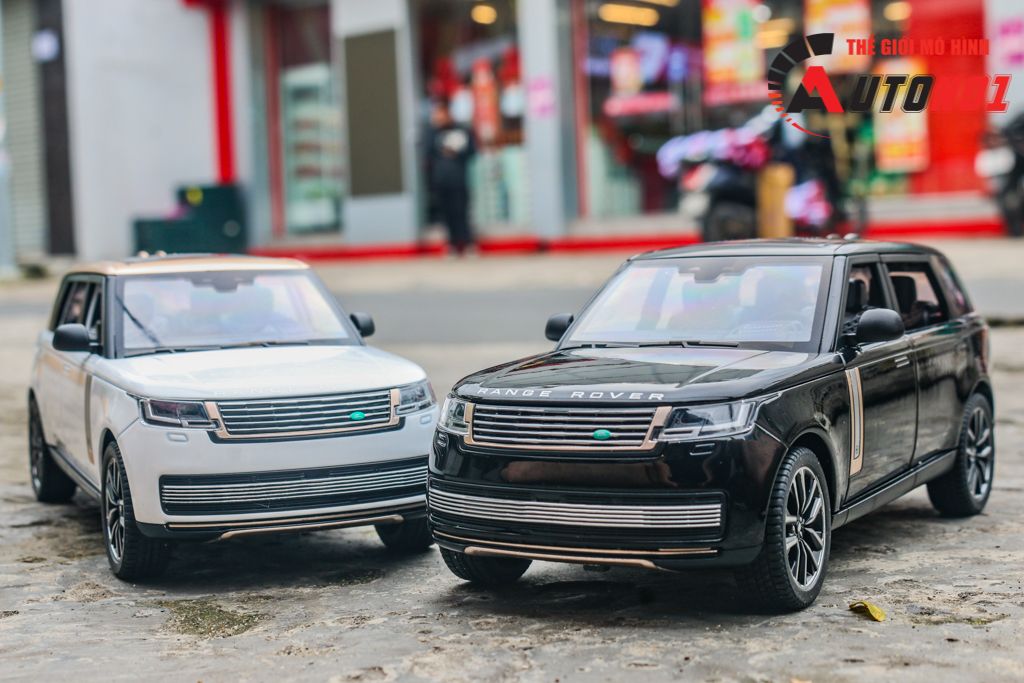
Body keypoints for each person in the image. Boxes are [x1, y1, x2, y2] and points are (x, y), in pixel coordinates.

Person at [427, 102, 476, 255]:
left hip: (458, 179)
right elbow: (427, 153)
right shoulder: (433, 133)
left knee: (461, 212)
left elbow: (472, 151)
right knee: (446, 214)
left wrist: (456, 153)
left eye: (442, 114)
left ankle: (468, 243)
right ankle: (452, 244)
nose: (439, 117)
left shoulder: (462, 131)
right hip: (441, 180)